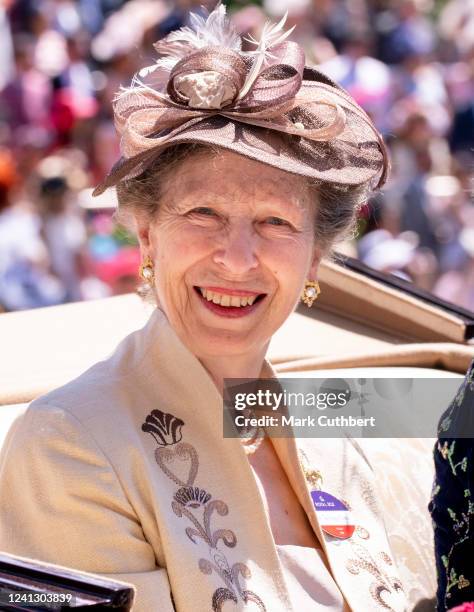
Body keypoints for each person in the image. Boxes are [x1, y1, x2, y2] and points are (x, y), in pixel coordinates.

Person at [0, 6, 405, 611]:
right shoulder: (67, 444)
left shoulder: (335, 429)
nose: (237, 259)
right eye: (203, 214)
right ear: (146, 238)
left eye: (275, 222)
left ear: (315, 261)